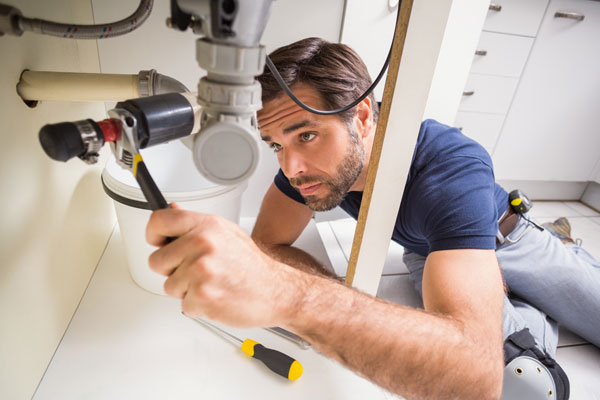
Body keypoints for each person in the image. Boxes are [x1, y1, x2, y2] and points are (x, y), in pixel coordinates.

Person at [146, 38, 599, 399]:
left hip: (509, 239)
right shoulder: (305, 172)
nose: (290, 168)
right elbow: (269, 245)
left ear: (361, 116)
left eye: (306, 134)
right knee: (527, 385)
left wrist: (299, 298)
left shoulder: (452, 163)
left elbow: (469, 376)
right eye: (277, 145)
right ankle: (531, 300)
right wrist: (325, 292)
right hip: (432, 253)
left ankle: (559, 251)